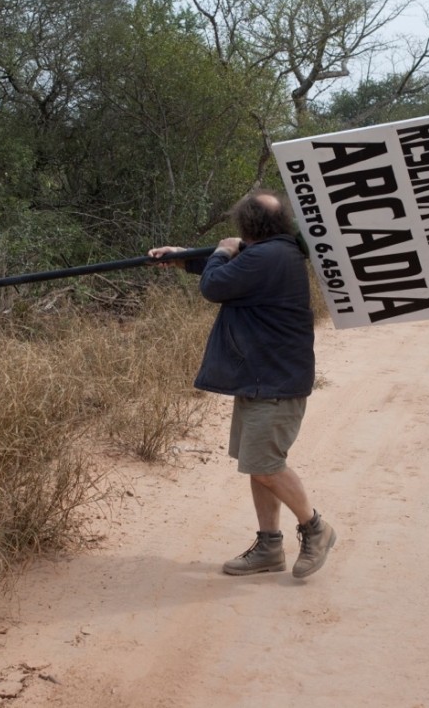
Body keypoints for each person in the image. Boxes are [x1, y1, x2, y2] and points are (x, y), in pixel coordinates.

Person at [148, 191, 337, 579]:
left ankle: (316, 528)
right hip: (262, 378)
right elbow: (235, 267)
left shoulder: (269, 256)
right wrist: (183, 255)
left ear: (246, 224)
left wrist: (219, 251)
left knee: (266, 465)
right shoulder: (275, 252)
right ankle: (269, 546)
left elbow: (216, 285)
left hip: (275, 381)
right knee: (257, 465)